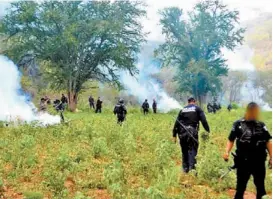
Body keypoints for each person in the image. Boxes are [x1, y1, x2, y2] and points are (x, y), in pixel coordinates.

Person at [223, 102, 272, 199]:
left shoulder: (261, 125)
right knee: (240, 188)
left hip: (259, 161)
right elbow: (231, 139)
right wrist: (226, 152)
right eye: (253, 112)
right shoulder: (238, 124)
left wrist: (272, 157)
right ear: (248, 111)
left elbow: (268, 141)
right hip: (243, 161)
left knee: (260, 188)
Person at [173, 97, 210, 173]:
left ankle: (185, 169)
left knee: (184, 151)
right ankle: (192, 170)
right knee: (192, 150)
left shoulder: (182, 110)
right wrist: (208, 130)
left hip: (182, 133)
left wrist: (174, 135)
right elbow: (204, 120)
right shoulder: (197, 109)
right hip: (192, 132)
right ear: (194, 102)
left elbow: (176, 123)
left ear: (188, 102)